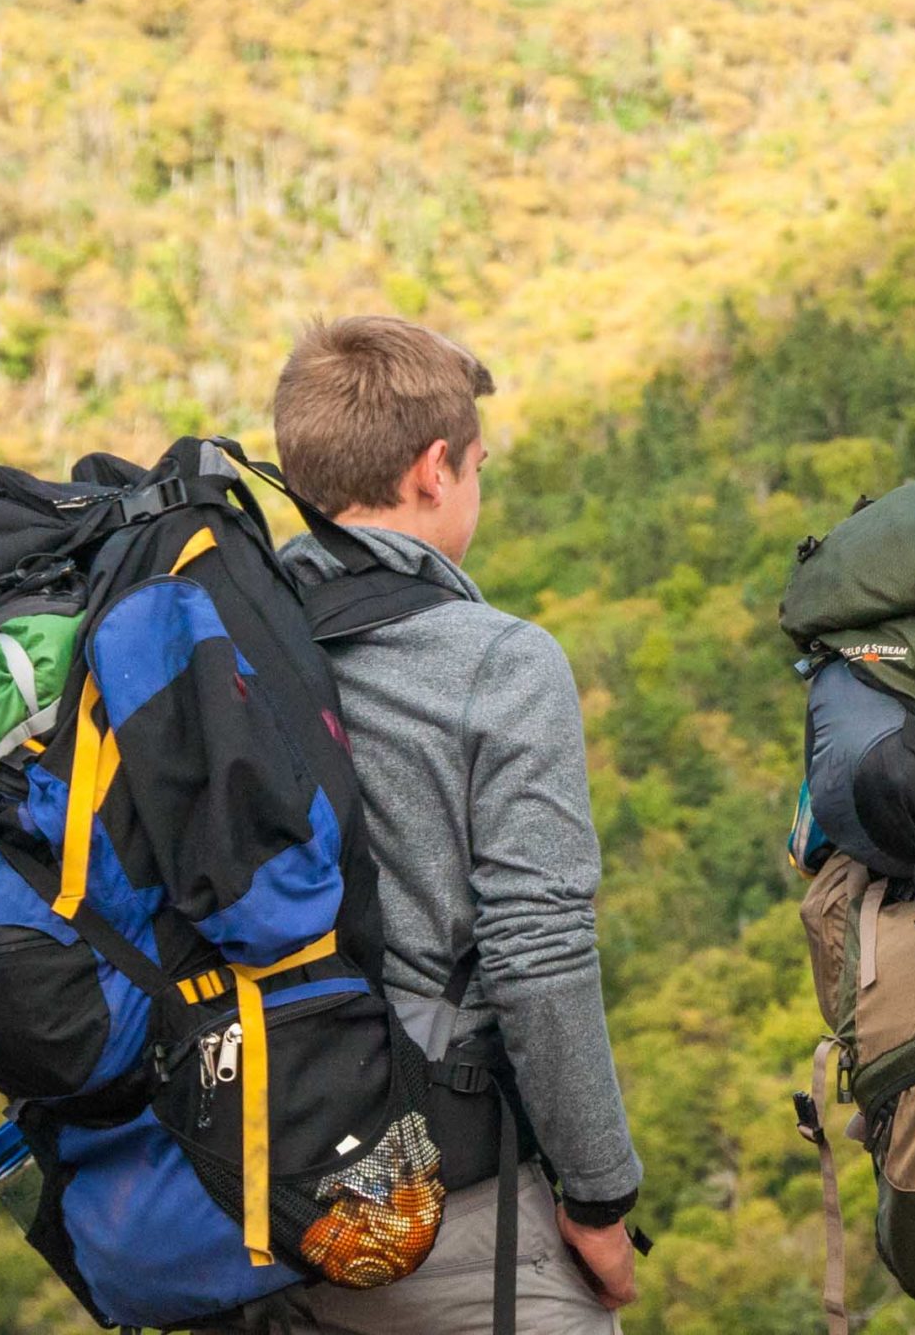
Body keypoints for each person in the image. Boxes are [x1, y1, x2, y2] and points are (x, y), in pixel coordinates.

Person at [241, 316, 643, 1333]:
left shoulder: (224, 650)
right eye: (477, 467)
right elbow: (538, 951)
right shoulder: (495, 663)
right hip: (441, 1205)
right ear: (433, 470)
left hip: (245, 1192)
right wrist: (598, 1198)